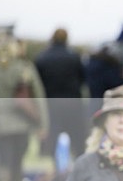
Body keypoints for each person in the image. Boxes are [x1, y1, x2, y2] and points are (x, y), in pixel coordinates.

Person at [0, 35, 49, 181]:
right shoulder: (24, 69)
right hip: (20, 125)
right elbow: (38, 97)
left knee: (4, 162)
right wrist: (42, 124)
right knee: (17, 163)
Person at [35, 27, 88, 158]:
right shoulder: (74, 56)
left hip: (50, 103)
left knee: (52, 136)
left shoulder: (42, 58)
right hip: (73, 102)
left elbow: (38, 84)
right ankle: (77, 160)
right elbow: (82, 78)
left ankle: (52, 165)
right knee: (76, 136)